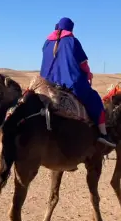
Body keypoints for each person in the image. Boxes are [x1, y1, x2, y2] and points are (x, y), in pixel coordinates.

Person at [40, 17, 116, 148]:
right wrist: (88, 73)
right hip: (70, 83)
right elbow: (83, 64)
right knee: (95, 99)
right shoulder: (72, 42)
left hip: (46, 83)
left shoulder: (47, 42)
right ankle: (103, 134)